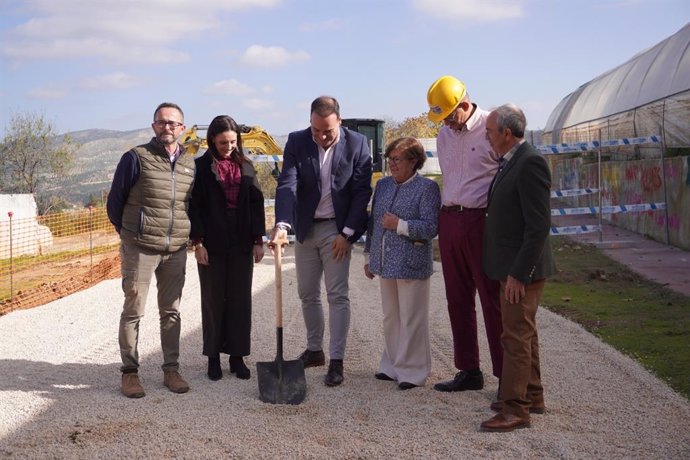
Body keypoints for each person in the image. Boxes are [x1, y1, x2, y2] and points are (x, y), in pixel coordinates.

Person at [268, 96, 372, 387]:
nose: (321, 136)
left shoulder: (357, 144)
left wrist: (348, 234)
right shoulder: (297, 141)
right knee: (307, 293)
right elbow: (287, 184)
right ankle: (315, 350)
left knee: (337, 295)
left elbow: (362, 191)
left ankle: (337, 360)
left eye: (327, 131)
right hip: (305, 229)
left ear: (339, 120)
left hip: (337, 230)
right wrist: (281, 225)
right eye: (315, 130)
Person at [107, 102, 195, 398]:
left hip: (176, 250)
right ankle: (130, 373)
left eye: (173, 123)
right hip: (140, 249)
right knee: (133, 310)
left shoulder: (190, 163)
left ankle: (171, 370)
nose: (167, 127)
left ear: (182, 128)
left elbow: (189, 205)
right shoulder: (135, 158)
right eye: (161, 122)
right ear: (153, 125)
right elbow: (114, 203)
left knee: (171, 311)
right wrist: (130, 235)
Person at [480, 104, 555, 432]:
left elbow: (538, 227)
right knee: (524, 333)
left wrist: (518, 273)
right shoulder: (511, 161)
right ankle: (532, 395)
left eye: (490, 132)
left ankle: (515, 409)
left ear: (507, 133)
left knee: (514, 337)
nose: (487, 137)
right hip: (511, 266)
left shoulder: (530, 163)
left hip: (521, 270)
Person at [426, 75, 503, 392]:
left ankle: (506, 375)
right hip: (450, 219)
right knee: (457, 299)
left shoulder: (491, 128)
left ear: (465, 105)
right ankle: (469, 369)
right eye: (440, 118)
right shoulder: (445, 135)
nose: (445, 124)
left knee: (492, 299)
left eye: (448, 116)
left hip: (481, 220)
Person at [189, 115, 266, 381]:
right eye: (223, 142)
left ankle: (237, 357)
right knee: (212, 299)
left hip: (242, 241)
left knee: (240, 300)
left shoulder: (246, 166)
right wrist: (197, 243)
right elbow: (194, 206)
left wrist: (259, 240)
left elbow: (256, 203)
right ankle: (213, 358)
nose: (229, 146)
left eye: (233, 141)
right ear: (212, 140)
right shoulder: (200, 167)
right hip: (212, 241)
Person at [363, 137, 441, 390]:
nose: (392, 164)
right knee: (391, 317)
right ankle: (392, 365)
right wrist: (369, 257)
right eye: (390, 158)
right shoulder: (383, 185)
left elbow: (431, 227)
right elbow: (374, 223)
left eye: (397, 159)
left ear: (414, 161)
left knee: (412, 318)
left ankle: (413, 372)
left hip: (412, 263)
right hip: (386, 263)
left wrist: (400, 225)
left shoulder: (427, 188)